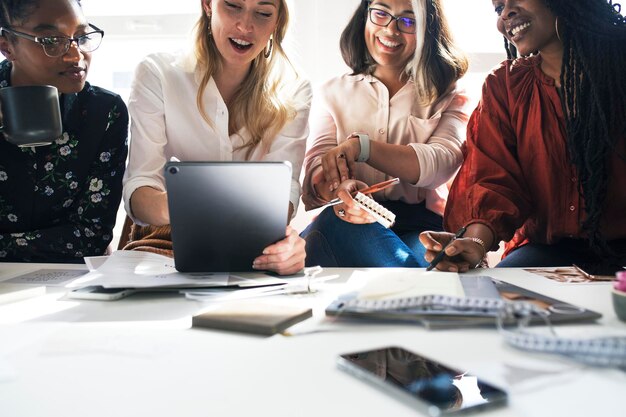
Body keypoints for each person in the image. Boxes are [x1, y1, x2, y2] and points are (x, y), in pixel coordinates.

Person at [420, 0, 626, 273]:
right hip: (550, 249)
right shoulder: (505, 87)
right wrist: (474, 242)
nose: (506, 12)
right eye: (498, 7)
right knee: (495, 300)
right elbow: (493, 182)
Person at [122, 0, 311, 275]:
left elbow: (285, 196)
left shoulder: (294, 89)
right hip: (166, 233)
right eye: (233, 6)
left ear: (277, 21)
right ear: (208, 5)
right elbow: (139, 187)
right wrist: (186, 208)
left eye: (263, 13)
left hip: (254, 237)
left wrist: (286, 247)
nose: (246, 26)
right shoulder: (159, 73)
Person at [300, 0, 469, 267]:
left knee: (438, 264)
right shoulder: (331, 92)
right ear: (365, 17)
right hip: (346, 218)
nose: (391, 30)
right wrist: (341, 186)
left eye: (408, 21)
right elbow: (315, 175)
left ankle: (419, 298)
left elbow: (442, 162)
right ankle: (420, 298)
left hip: (419, 226)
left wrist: (362, 148)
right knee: (359, 232)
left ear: (428, 29)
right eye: (381, 13)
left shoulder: (448, 94)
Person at [0, 0, 128, 263]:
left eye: (80, 37)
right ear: (7, 47)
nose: (75, 55)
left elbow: (92, 236)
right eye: (50, 40)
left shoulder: (105, 112)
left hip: (70, 281)